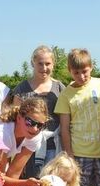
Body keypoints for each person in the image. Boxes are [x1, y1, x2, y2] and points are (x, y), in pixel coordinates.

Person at [55, 48, 100, 186]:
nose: (81, 76)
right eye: (76, 72)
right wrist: (70, 156)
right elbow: (65, 129)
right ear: (69, 71)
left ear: (91, 67)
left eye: (85, 71)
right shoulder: (66, 95)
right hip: (80, 154)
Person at [11, 45, 66, 178]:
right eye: (40, 64)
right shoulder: (22, 89)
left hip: (54, 144)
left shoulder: (59, 88)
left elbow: (66, 121)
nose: (44, 68)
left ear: (53, 64)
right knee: (32, 184)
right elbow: (15, 121)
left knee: (52, 183)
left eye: (48, 64)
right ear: (33, 63)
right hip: (28, 145)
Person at [0, 97, 46, 182]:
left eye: (40, 125)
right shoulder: (2, 133)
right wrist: (26, 183)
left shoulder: (35, 136)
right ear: (19, 118)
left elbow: (14, 173)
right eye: (30, 122)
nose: (35, 129)